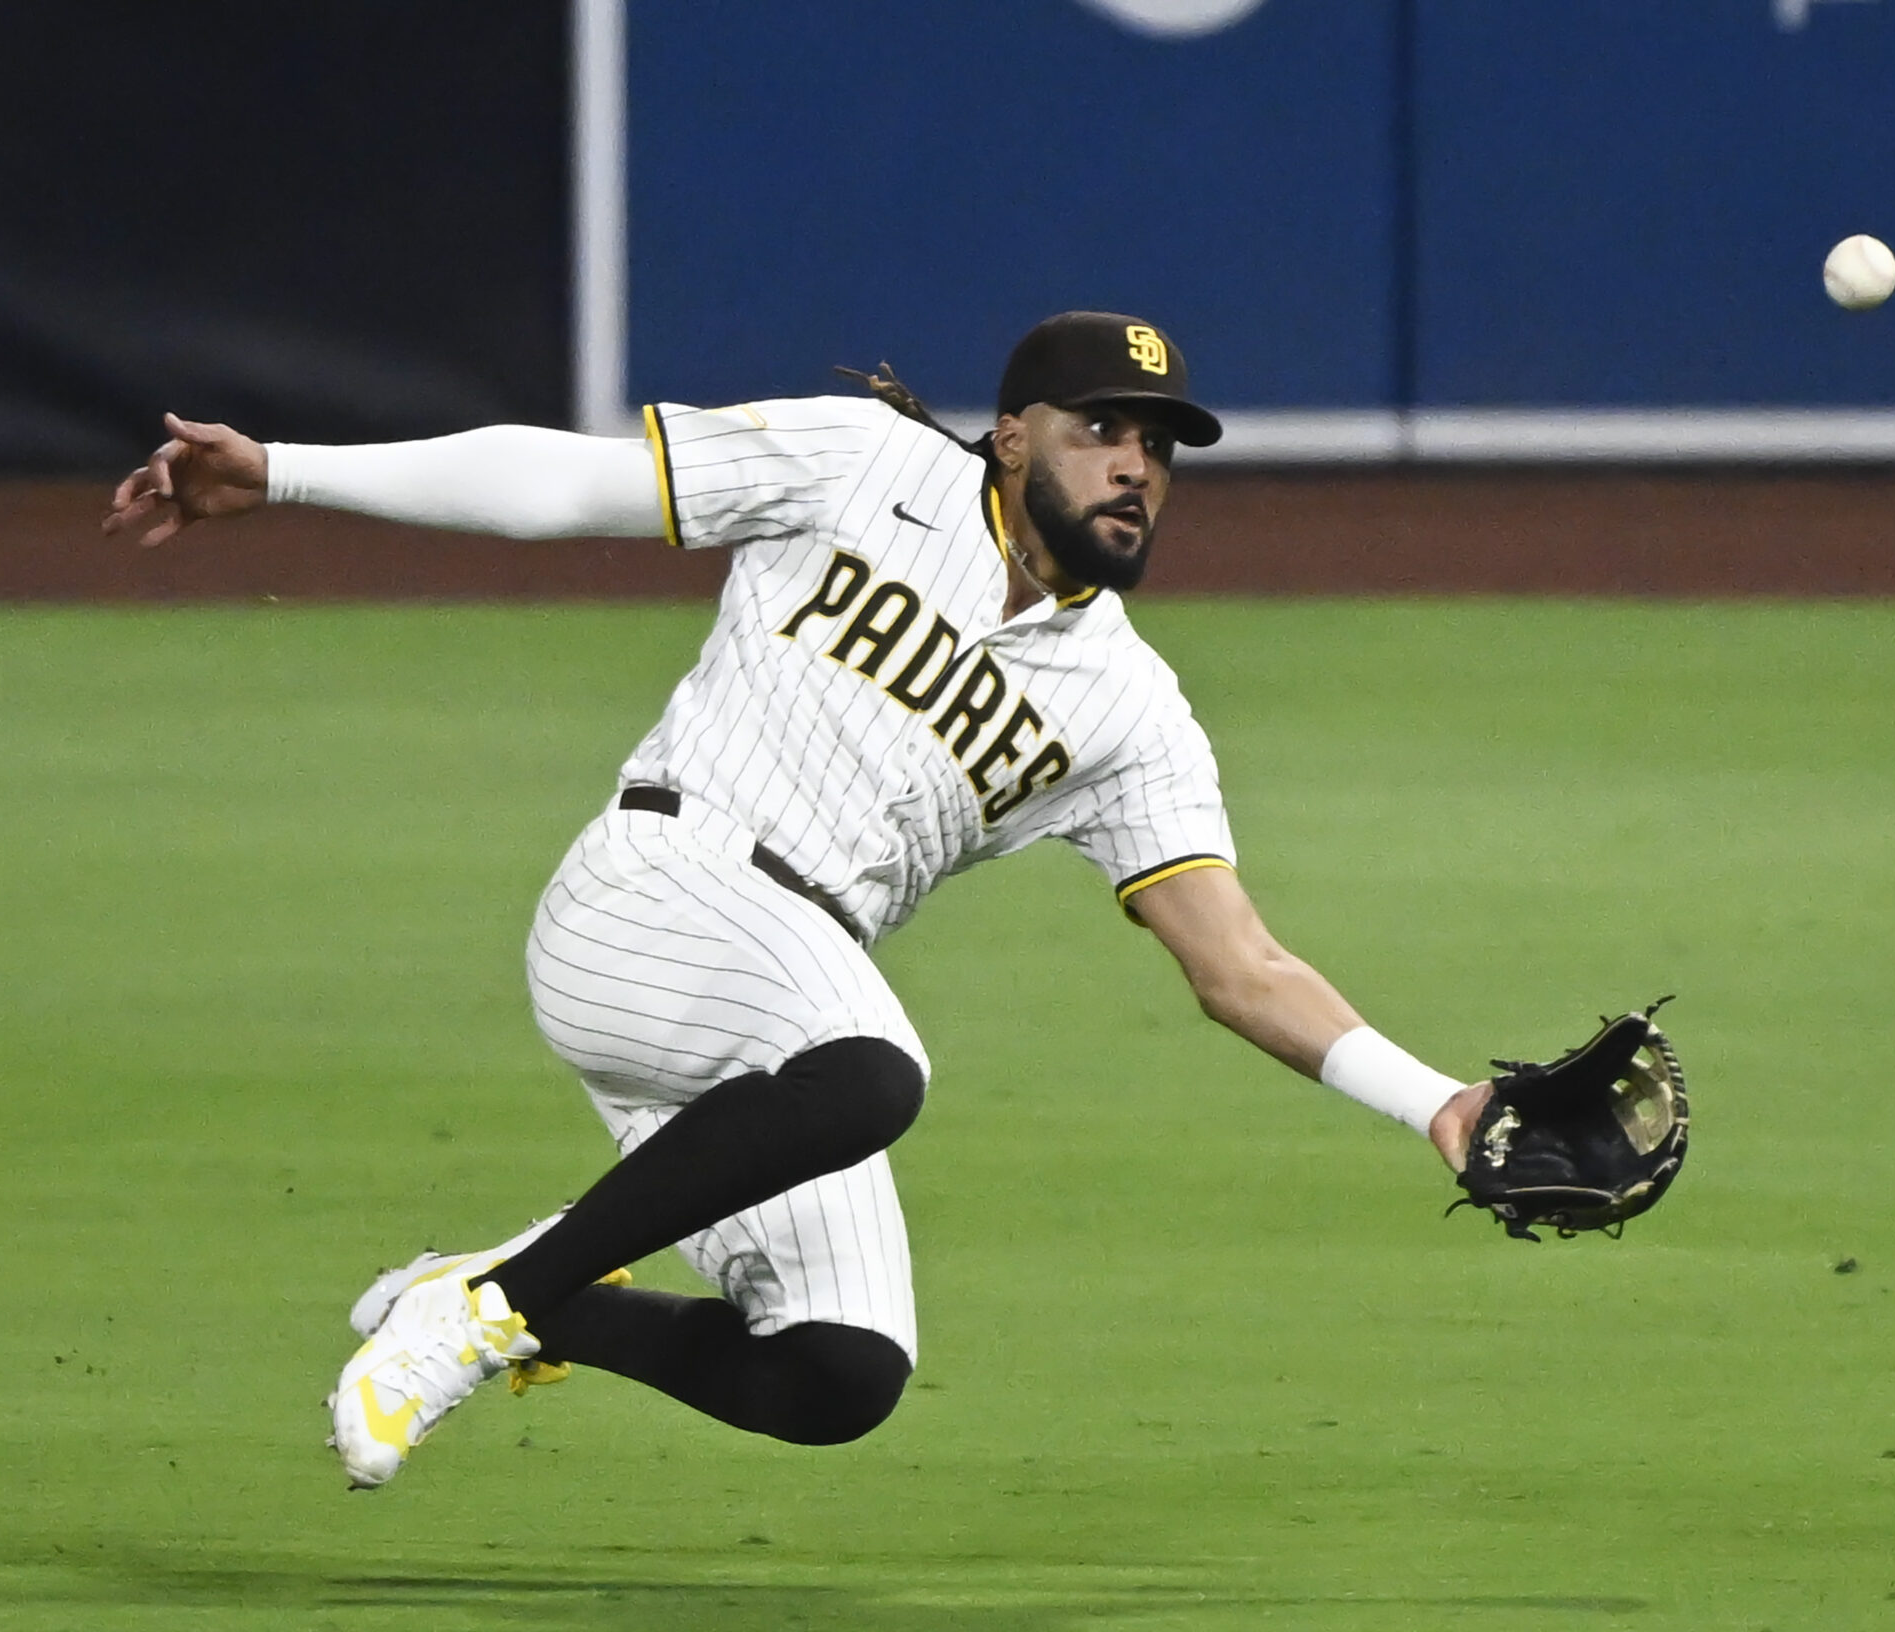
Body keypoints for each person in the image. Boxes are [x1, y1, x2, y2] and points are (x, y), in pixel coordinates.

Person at [106, 311, 1493, 1489]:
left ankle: (518, 1299)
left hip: (764, 1024)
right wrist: (286, 473)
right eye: (1101, 429)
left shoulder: (1129, 709)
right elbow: (565, 487)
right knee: (877, 1071)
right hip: (653, 888)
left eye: (1159, 445)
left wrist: (1434, 1098)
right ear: (1013, 435)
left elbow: (1239, 964)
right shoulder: (863, 465)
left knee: (838, 1372)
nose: (1136, 466)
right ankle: (484, 1310)